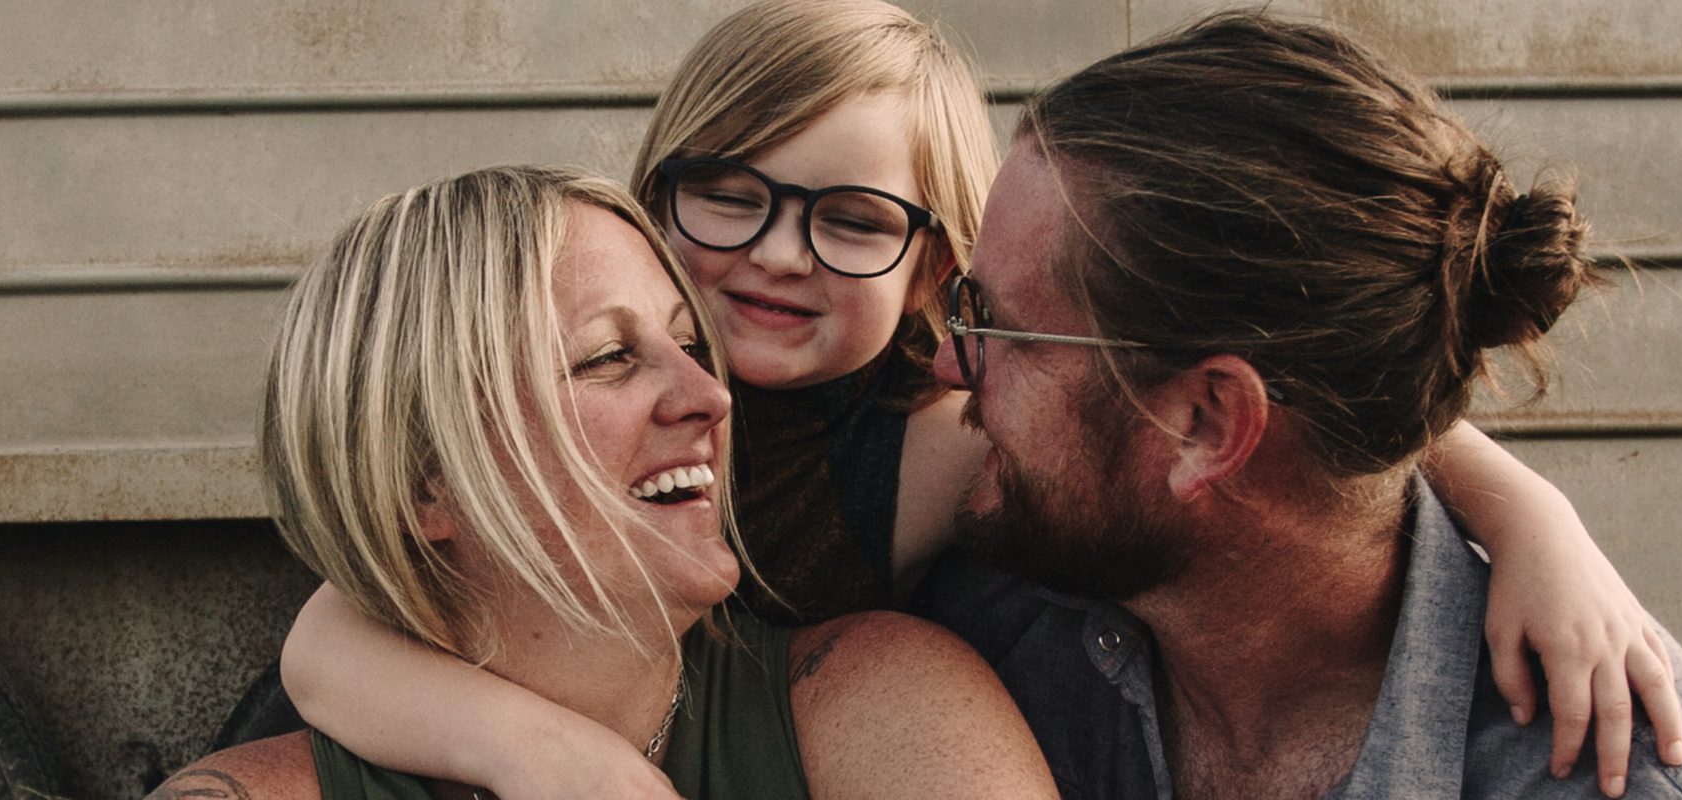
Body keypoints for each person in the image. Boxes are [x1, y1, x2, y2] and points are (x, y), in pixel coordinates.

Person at [275, 2, 1682, 797]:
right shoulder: (1038, 582)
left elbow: (1343, 401)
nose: (769, 259)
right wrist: (525, 748)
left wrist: (1533, 517)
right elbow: (357, 593)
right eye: (725, 198)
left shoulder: (951, 480)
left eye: (990, 319)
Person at [911, 11, 1682, 798]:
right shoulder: (996, 622)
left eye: (999, 326)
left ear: (1209, 426)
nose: (948, 361)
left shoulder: (1598, 780)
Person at [147, 165, 1058, 800]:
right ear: (426, 484)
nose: (709, 394)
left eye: (692, 343)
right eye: (610, 357)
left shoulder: (879, 706)